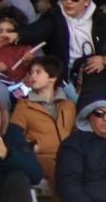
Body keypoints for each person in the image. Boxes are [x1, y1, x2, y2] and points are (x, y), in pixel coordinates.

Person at [22, 0, 106, 83]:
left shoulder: (102, 19)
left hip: (95, 74)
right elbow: (34, 32)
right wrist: (15, 35)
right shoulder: (54, 16)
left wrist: (104, 59)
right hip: (63, 77)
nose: (68, 1)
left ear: (87, 0)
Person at [10, 55, 74, 188]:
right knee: (57, 169)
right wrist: (33, 147)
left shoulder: (68, 105)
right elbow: (14, 139)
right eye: (31, 72)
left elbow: (76, 134)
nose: (33, 76)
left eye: (38, 72)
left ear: (53, 77)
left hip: (67, 156)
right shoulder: (23, 106)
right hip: (40, 158)